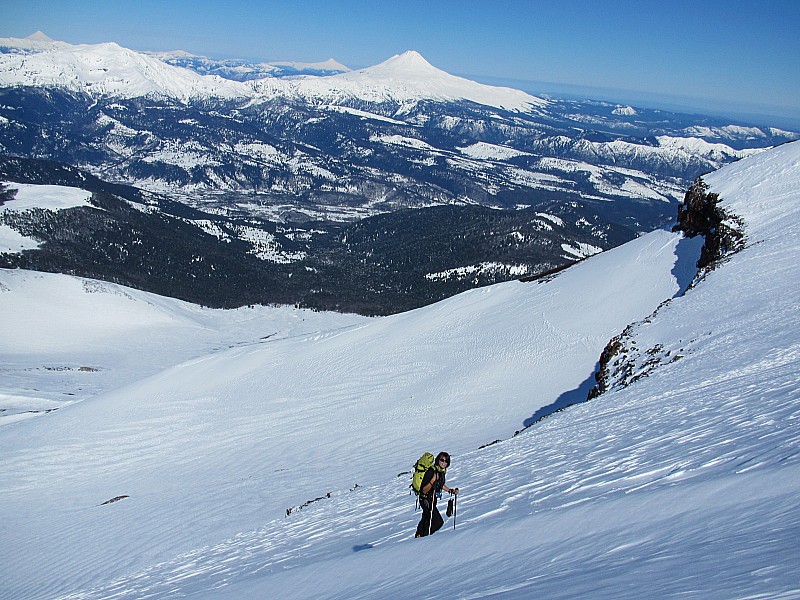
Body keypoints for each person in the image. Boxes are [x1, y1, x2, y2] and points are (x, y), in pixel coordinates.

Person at [415, 451, 459, 537]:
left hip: (431, 499)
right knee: (437, 522)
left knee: (426, 519)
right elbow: (423, 490)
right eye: (442, 460)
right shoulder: (431, 471)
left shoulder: (441, 471)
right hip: (425, 499)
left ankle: (419, 536)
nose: (444, 462)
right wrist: (432, 480)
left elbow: (440, 484)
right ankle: (423, 537)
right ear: (438, 460)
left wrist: (450, 490)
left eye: (446, 461)